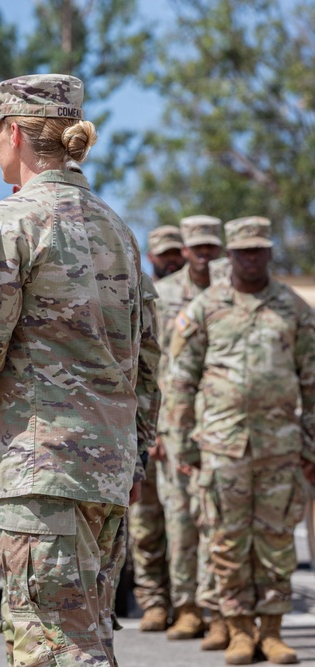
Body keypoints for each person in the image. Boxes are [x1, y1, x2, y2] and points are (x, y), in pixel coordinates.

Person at [0, 74, 159, 667]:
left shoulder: (9, 224)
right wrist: (135, 456)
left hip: (43, 471)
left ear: (16, 134)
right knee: (87, 636)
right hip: (105, 471)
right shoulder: (116, 229)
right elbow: (148, 356)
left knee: (55, 649)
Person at [167, 216, 315, 665]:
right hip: (220, 447)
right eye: (242, 251)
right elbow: (180, 381)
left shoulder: (293, 309)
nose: (251, 258)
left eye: (258, 250)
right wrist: (184, 445)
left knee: (276, 542)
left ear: (270, 253)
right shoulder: (205, 308)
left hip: (279, 449)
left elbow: (311, 384)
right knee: (227, 543)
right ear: (229, 256)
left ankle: (271, 631)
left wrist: (310, 447)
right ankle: (238, 630)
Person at [153, 215, 228, 645]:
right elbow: (152, 364)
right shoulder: (163, 295)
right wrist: (156, 430)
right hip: (177, 424)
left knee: (218, 520)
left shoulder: (228, 292)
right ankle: (185, 608)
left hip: (221, 423)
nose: (204, 254)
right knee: (179, 519)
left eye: (210, 246)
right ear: (184, 250)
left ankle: (216, 608)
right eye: (196, 247)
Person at [129, 225, 185, 632]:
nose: (171, 261)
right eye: (163, 254)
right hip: (146, 425)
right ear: (151, 257)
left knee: (184, 523)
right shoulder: (138, 292)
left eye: (175, 253)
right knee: (145, 522)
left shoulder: (195, 299)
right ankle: (152, 601)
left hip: (180, 430)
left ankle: (188, 604)